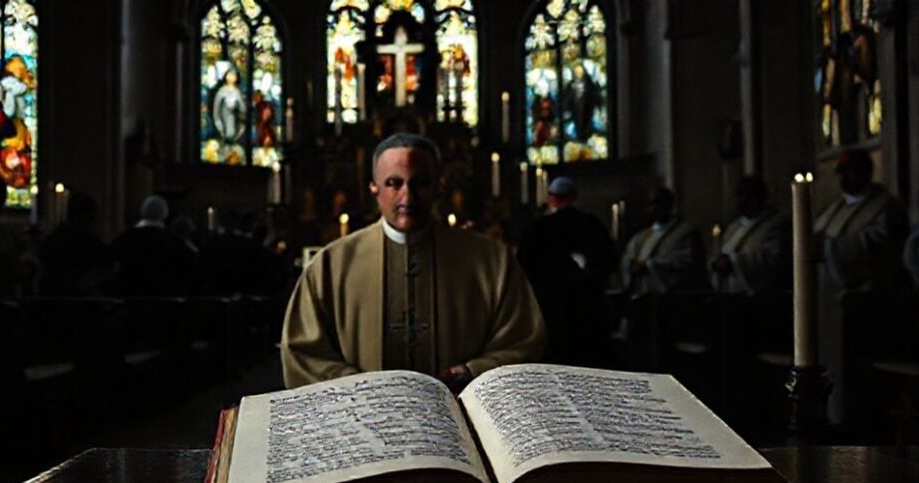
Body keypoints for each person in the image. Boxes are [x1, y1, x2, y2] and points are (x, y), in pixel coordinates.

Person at [281, 133, 546, 392]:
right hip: (361, 421)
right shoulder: (330, 265)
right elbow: (303, 352)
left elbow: (523, 339)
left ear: (439, 185)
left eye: (420, 183)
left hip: (462, 416)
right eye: (394, 183)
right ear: (373, 187)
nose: (407, 197)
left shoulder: (492, 261)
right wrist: (358, 386)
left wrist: (472, 371)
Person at [517, 176, 615, 367]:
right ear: (573, 197)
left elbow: (524, 269)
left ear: (551, 198)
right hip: (588, 312)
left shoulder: (538, 229)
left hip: (552, 312)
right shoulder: (592, 225)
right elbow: (608, 262)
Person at [814, 149, 908, 290]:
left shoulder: (887, 206)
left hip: (868, 291)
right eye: (840, 172)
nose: (843, 177)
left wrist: (830, 246)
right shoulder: (835, 206)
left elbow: (882, 242)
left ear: (865, 172)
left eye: (849, 171)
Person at [710, 176, 790, 294]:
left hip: (763, 296)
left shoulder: (776, 225)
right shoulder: (734, 226)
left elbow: (773, 259)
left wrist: (733, 262)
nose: (737, 202)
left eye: (742, 196)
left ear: (755, 199)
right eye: (736, 196)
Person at [621, 186, 705, 297]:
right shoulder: (641, 236)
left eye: (657, 204)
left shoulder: (684, 233)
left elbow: (684, 264)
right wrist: (630, 265)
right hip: (643, 294)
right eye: (650, 204)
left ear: (669, 205)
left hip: (673, 298)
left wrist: (649, 266)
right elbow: (627, 259)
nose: (653, 209)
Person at [110, 195, 196, 296]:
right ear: (165, 213)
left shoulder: (126, 238)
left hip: (130, 298)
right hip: (166, 300)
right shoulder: (174, 241)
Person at [38, 192, 112, 296]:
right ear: (89, 216)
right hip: (80, 301)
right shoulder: (90, 242)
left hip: (52, 298)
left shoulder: (53, 239)